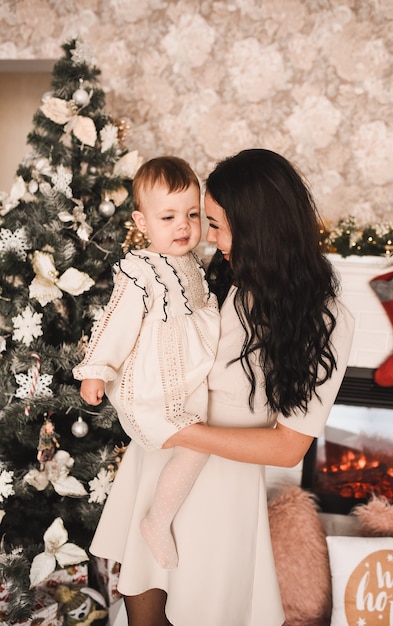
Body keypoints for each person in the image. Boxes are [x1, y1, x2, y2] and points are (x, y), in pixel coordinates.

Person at [88, 148, 354, 626]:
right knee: (143, 613)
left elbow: (288, 447)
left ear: (258, 226)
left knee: (207, 610)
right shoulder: (214, 277)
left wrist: (184, 434)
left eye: (215, 224)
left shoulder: (326, 319)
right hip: (158, 468)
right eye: (203, 221)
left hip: (220, 488)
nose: (205, 237)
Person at [73, 156, 220, 570]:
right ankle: (157, 520)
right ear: (141, 221)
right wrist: (97, 369)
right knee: (196, 447)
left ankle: (164, 518)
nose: (184, 226)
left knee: (199, 444)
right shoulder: (142, 270)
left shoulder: (194, 265)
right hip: (156, 384)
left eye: (193, 214)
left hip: (188, 377)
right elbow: (115, 321)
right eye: (169, 216)